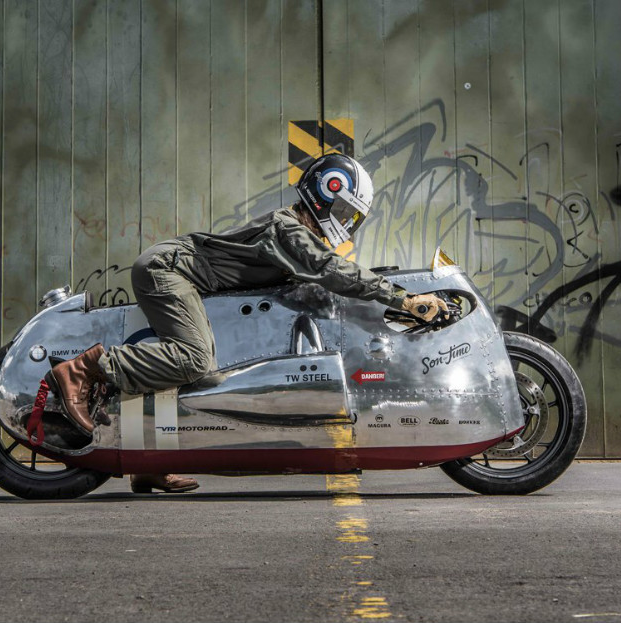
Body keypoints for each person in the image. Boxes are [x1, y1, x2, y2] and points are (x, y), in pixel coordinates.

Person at [47, 154, 449, 493]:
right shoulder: (288, 229)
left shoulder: (293, 233)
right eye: (344, 211)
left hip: (185, 278)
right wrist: (403, 298)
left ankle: (150, 462)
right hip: (168, 270)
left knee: (206, 369)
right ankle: (85, 369)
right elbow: (332, 269)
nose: (345, 221)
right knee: (194, 359)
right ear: (325, 195)